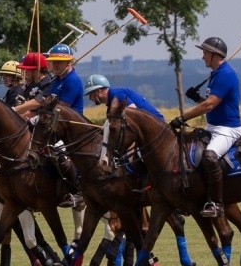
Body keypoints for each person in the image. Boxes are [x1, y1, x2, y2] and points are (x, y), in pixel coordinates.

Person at [173, 37, 241, 218]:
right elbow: (212, 104)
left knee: (210, 157)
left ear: (214, 54)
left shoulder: (226, 74)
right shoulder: (216, 74)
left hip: (228, 129)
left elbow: (210, 105)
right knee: (187, 154)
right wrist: (196, 98)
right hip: (213, 127)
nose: (203, 56)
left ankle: (216, 204)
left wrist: (182, 118)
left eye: (205, 52)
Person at [15, 44, 85, 208]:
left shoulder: (72, 81)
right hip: (54, 124)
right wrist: (23, 111)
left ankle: (78, 192)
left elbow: (60, 108)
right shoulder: (56, 80)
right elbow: (43, 100)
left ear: (69, 62)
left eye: (60, 62)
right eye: (53, 62)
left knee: (59, 152)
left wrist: (36, 116)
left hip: (70, 127)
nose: (55, 65)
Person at [83, 74, 164, 121]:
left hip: (156, 124)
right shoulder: (111, 102)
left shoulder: (116, 95)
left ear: (98, 92)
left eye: (90, 94)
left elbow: (134, 113)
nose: (90, 98)